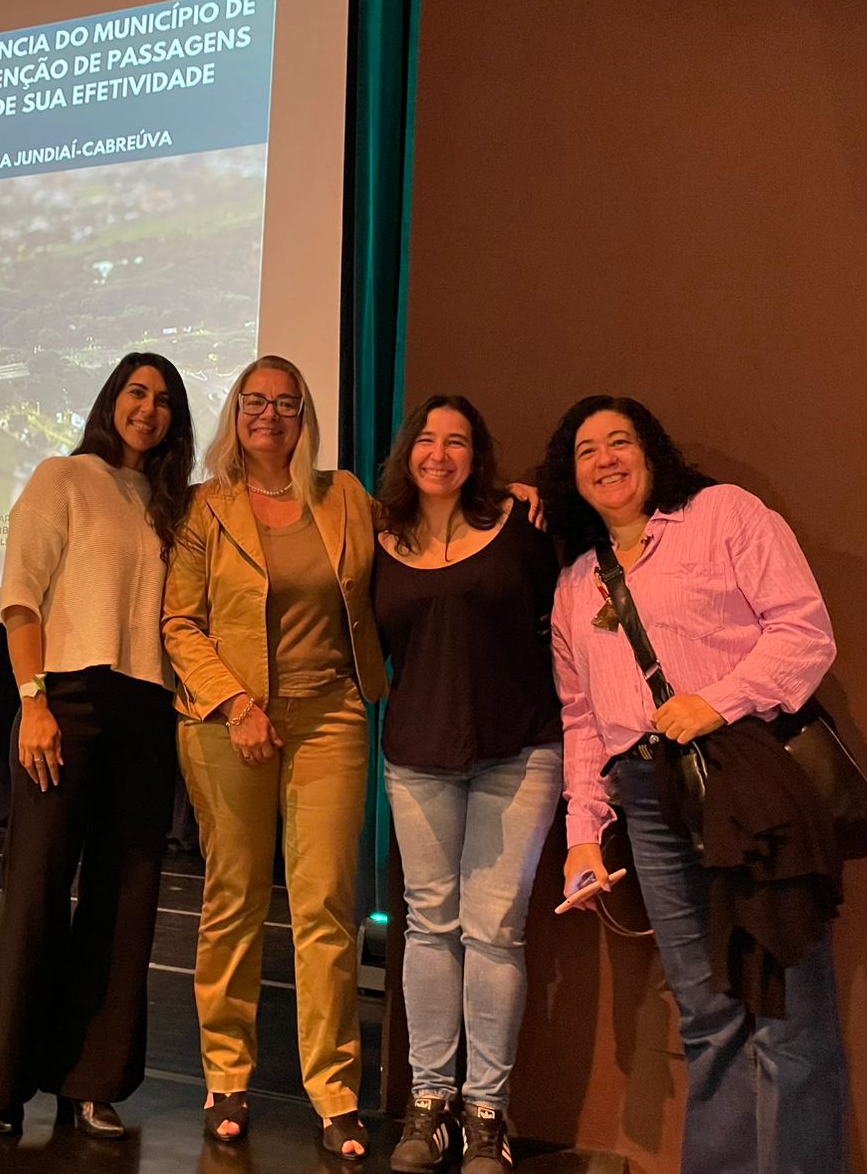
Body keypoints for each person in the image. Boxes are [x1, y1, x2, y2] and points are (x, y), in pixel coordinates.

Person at [539, 395, 848, 1174]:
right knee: (707, 1016)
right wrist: (582, 836)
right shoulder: (578, 583)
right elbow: (582, 720)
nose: (606, 459)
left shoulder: (724, 515)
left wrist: (718, 701)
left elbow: (805, 630)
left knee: (787, 1013)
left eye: (621, 441)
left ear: (652, 451)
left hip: (747, 780)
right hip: (648, 796)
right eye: (587, 451)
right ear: (570, 477)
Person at [0, 352, 195, 1140]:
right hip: (66, 699)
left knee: (126, 900)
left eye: (164, 400)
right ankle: (4, 1079)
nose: (149, 409)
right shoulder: (62, 477)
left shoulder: (173, 507)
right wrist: (33, 705)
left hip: (148, 709)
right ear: (111, 400)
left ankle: (91, 1082)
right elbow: (21, 599)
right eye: (137, 392)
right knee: (37, 887)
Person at [162, 354, 387, 1160]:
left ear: (304, 416)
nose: (270, 414)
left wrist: (508, 500)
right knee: (235, 900)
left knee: (326, 905)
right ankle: (228, 1077)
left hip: (330, 716)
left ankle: (335, 1094)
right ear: (235, 412)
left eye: (286, 402)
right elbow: (179, 623)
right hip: (229, 722)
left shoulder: (347, 497)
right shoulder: (203, 508)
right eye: (255, 400)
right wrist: (237, 704)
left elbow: (425, 536)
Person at [371, 395, 563, 1174]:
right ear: (406, 453)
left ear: (476, 455)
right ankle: (430, 1104)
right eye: (427, 439)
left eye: (457, 442)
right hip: (417, 755)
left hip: (517, 752)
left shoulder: (523, 527)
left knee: (495, 932)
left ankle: (487, 1115)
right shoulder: (377, 539)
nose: (440, 454)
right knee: (428, 926)